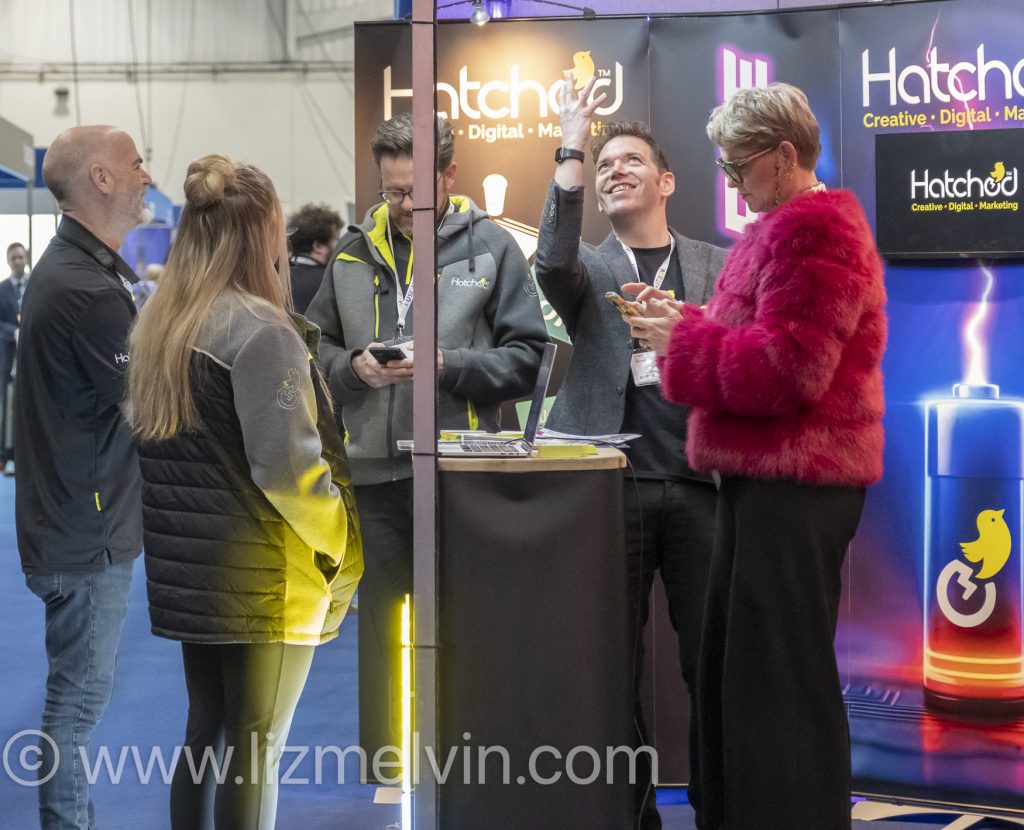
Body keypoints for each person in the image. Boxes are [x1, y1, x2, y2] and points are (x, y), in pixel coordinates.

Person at [627, 82, 886, 830]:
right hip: (766, 478)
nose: (731, 181)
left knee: (777, 678)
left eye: (737, 165)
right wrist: (686, 320)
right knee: (745, 674)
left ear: (782, 156)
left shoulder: (816, 232)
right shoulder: (781, 228)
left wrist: (683, 340)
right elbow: (758, 337)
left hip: (798, 483)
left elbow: (790, 368)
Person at [128, 154, 362, 830]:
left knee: (208, 730)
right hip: (265, 575)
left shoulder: (161, 325)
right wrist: (341, 543)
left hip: (193, 570)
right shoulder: (260, 332)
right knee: (256, 745)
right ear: (263, 233)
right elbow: (290, 472)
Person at [306, 112, 548, 763]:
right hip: (374, 473)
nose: (406, 206)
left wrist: (448, 365)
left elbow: (530, 358)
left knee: (470, 623)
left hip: (460, 473)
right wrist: (351, 369)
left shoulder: (491, 247)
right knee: (383, 629)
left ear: (449, 176)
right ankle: (392, 760)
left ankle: (472, 758)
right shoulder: (353, 253)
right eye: (393, 192)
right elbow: (313, 351)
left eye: (417, 191)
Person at [533, 76, 726, 828]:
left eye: (631, 160)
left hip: (701, 486)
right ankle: (632, 815)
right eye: (605, 163)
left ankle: (719, 807)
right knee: (609, 668)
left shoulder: (715, 265)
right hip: (610, 489)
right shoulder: (588, 268)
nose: (615, 170)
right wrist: (571, 146)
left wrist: (689, 333)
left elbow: (741, 351)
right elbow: (550, 260)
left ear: (666, 182)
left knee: (711, 663)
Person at [14, 125, 151, 829]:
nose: (146, 176)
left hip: (68, 516)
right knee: (76, 703)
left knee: (73, 698)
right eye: (136, 164)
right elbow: (147, 411)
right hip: (84, 529)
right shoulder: (88, 288)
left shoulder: (72, 271)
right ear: (101, 177)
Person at [0, 241, 28, 475]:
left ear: (25, 258)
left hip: (32, 355)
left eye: (20, 257)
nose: (17, 261)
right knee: (7, 406)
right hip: (8, 356)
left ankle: (30, 454)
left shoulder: (36, 284)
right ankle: (7, 455)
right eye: (13, 258)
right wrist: (15, 332)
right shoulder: (2, 289)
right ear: (9, 261)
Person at [286, 202, 343, 313]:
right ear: (318, 246)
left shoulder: (276, 276)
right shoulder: (331, 282)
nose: (339, 244)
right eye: (336, 238)